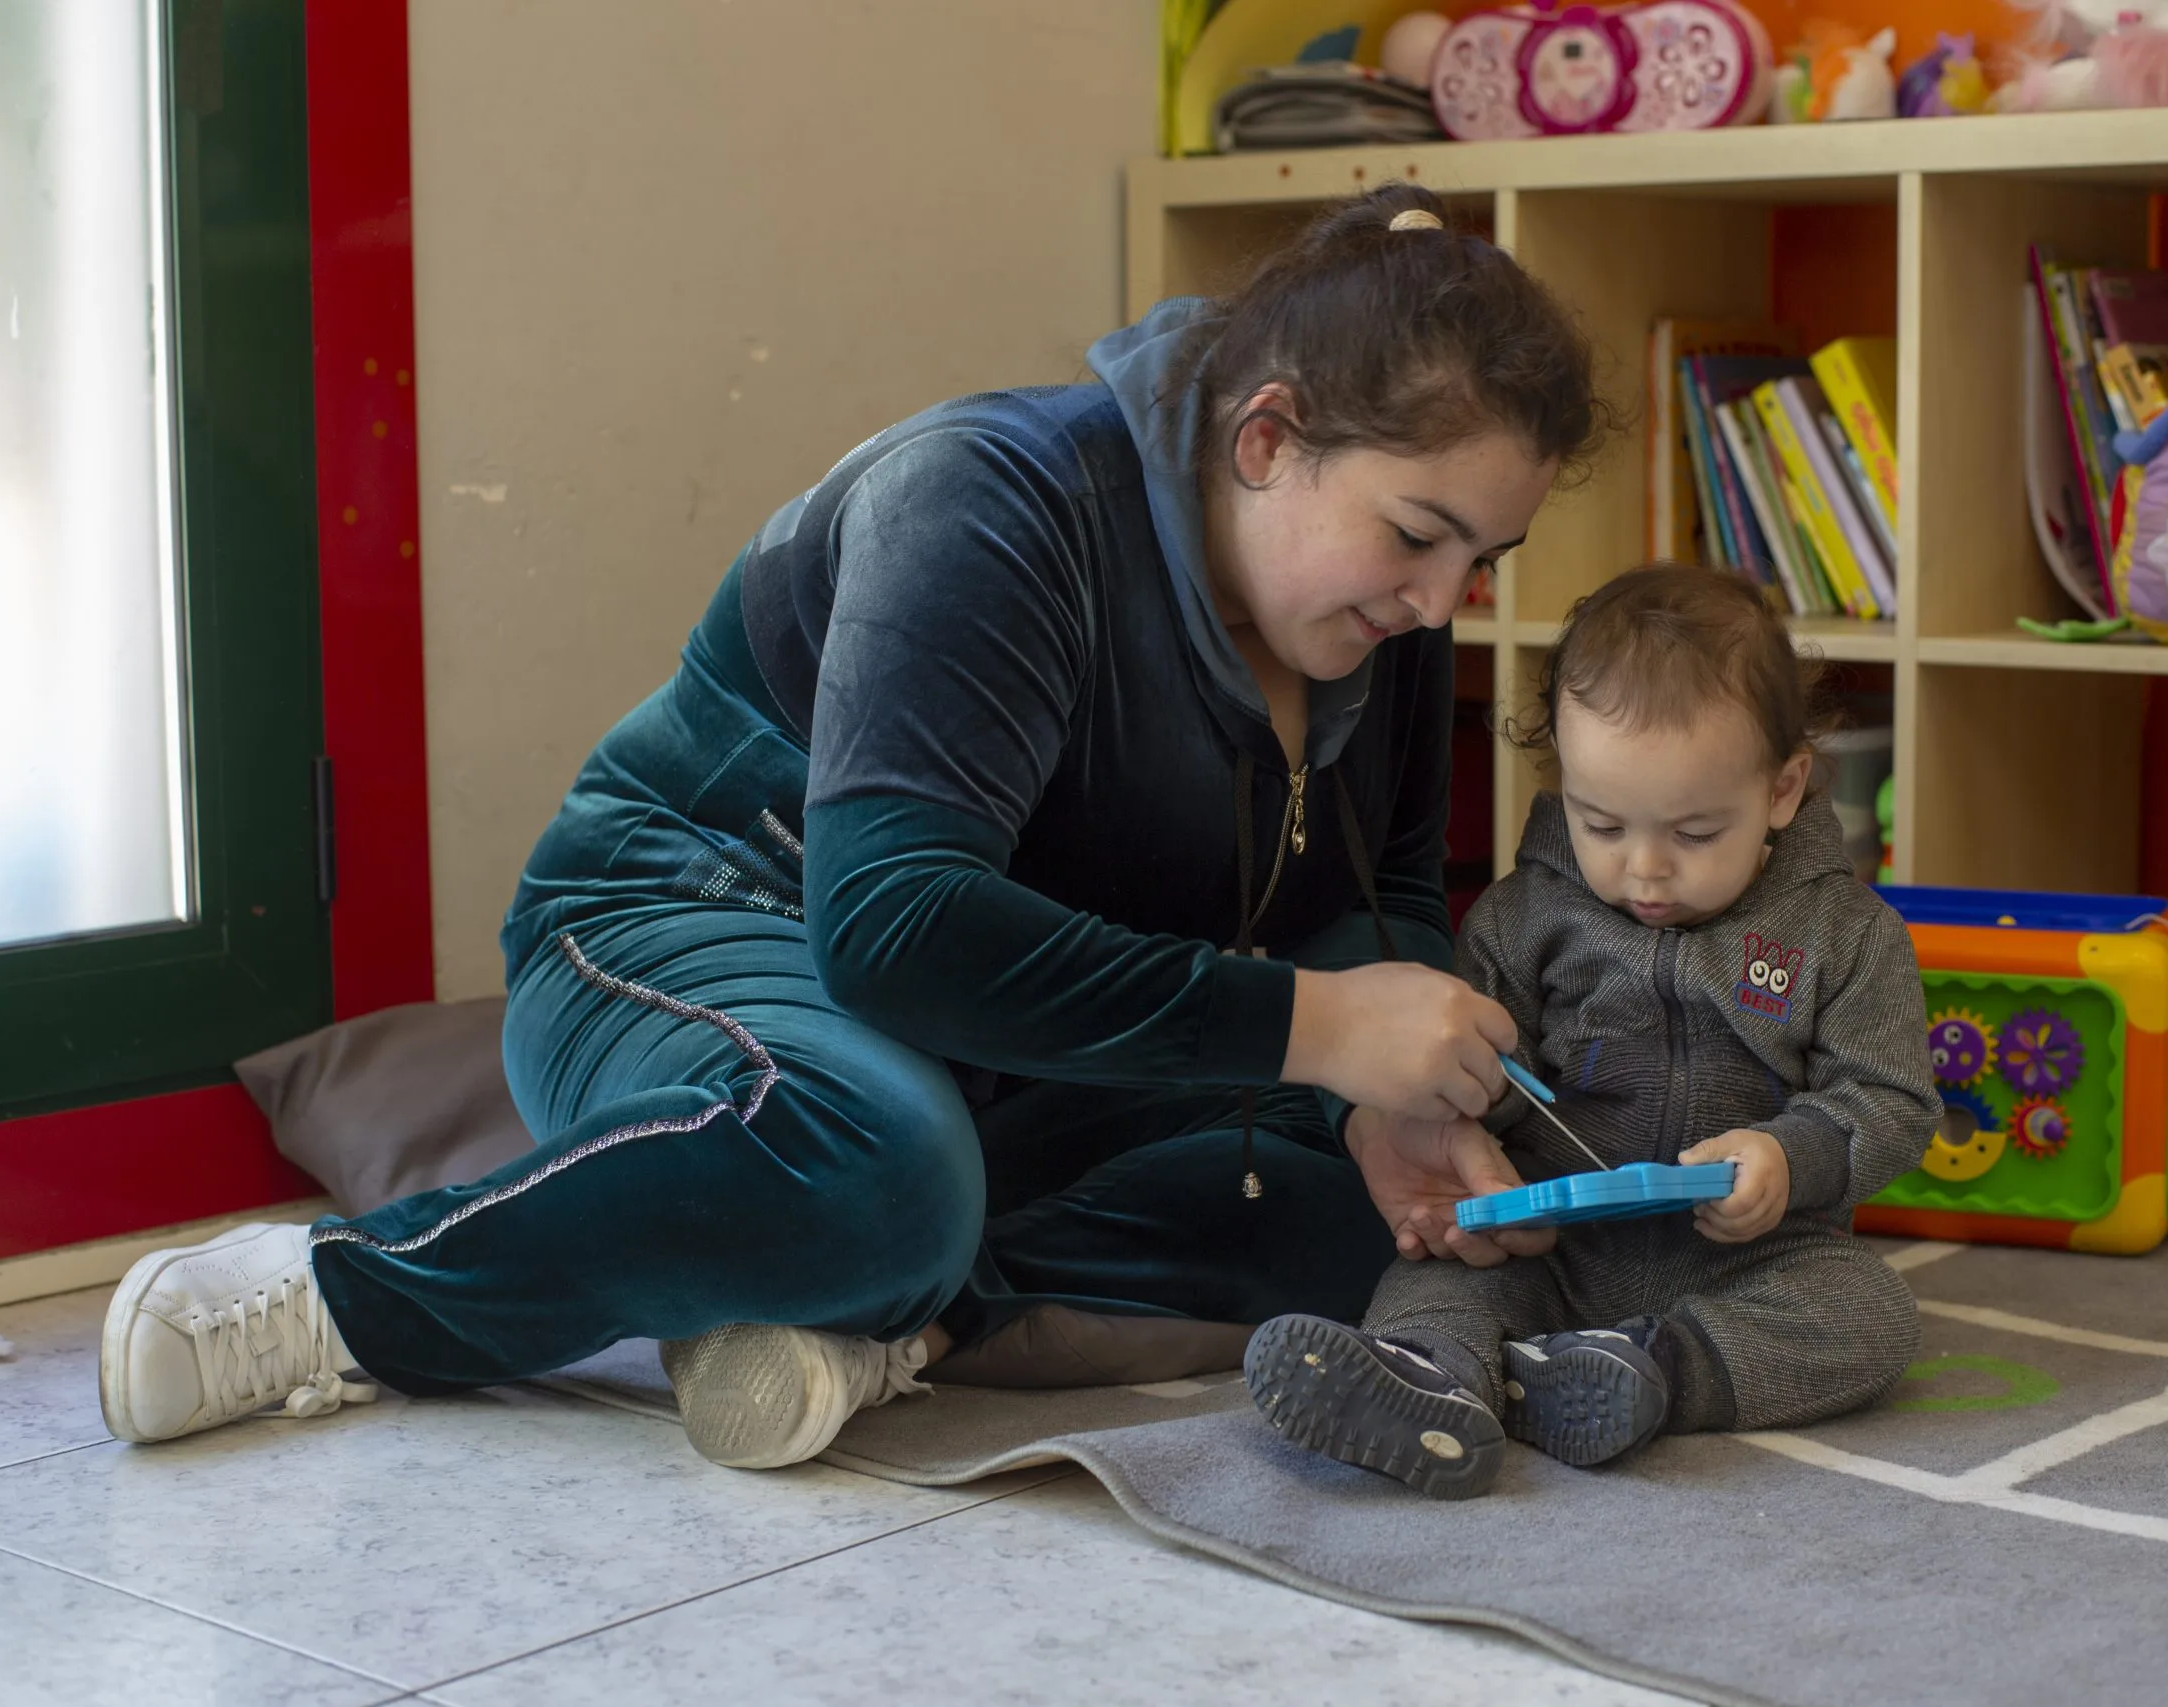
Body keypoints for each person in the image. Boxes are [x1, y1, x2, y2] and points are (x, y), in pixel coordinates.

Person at [96, 184, 1615, 1470]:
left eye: (1481, 558)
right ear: (1267, 438)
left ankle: (873, 1320)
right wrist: (1316, 1026)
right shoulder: (991, 498)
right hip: (700, 919)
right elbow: (894, 929)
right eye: (1419, 535)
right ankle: (348, 1292)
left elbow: (1375, 901)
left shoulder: (1380, 624)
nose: (1442, 603)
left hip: (1005, 1035)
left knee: (1366, 1223)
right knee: (879, 1161)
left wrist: (1383, 1103)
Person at [1243, 564, 1942, 1498]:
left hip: (1751, 1257)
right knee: (1438, 1271)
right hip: (1552, 1251)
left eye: (1695, 834)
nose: (1645, 870)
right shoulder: (1523, 917)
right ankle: (1427, 1375)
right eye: (1602, 823)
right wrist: (1485, 1094)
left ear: (1783, 789)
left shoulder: (1845, 934)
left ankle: (1649, 1371)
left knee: (1873, 1313)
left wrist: (1792, 1156)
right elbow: (1464, 1087)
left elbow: (1891, 1101)